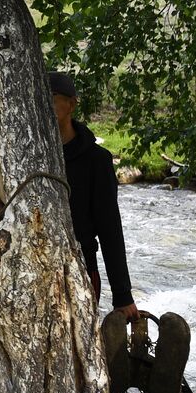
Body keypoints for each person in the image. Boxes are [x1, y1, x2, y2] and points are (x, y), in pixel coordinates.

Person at [49, 72, 139, 320]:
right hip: (34, 267)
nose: (48, 104)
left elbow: (110, 227)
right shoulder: (30, 158)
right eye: (42, 98)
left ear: (72, 104)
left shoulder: (96, 160)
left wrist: (122, 295)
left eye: (54, 98)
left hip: (80, 268)